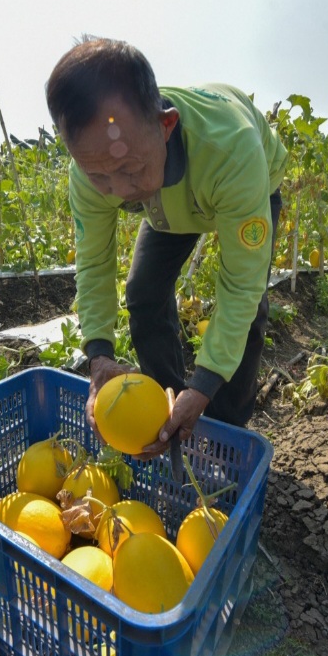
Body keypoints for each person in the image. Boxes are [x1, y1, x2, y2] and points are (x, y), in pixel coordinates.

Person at [45, 37, 287, 457]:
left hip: (245, 185)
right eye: (101, 177)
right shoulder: (95, 166)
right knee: (143, 293)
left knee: (249, 312)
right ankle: (168, 418)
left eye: (129, 169)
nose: (119, 191)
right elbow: (94, 263)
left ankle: (225, 428)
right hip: (168, 203)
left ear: (166, 125)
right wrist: (98, 354)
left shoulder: (232, 149)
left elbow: (241, 284)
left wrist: (207, 384)